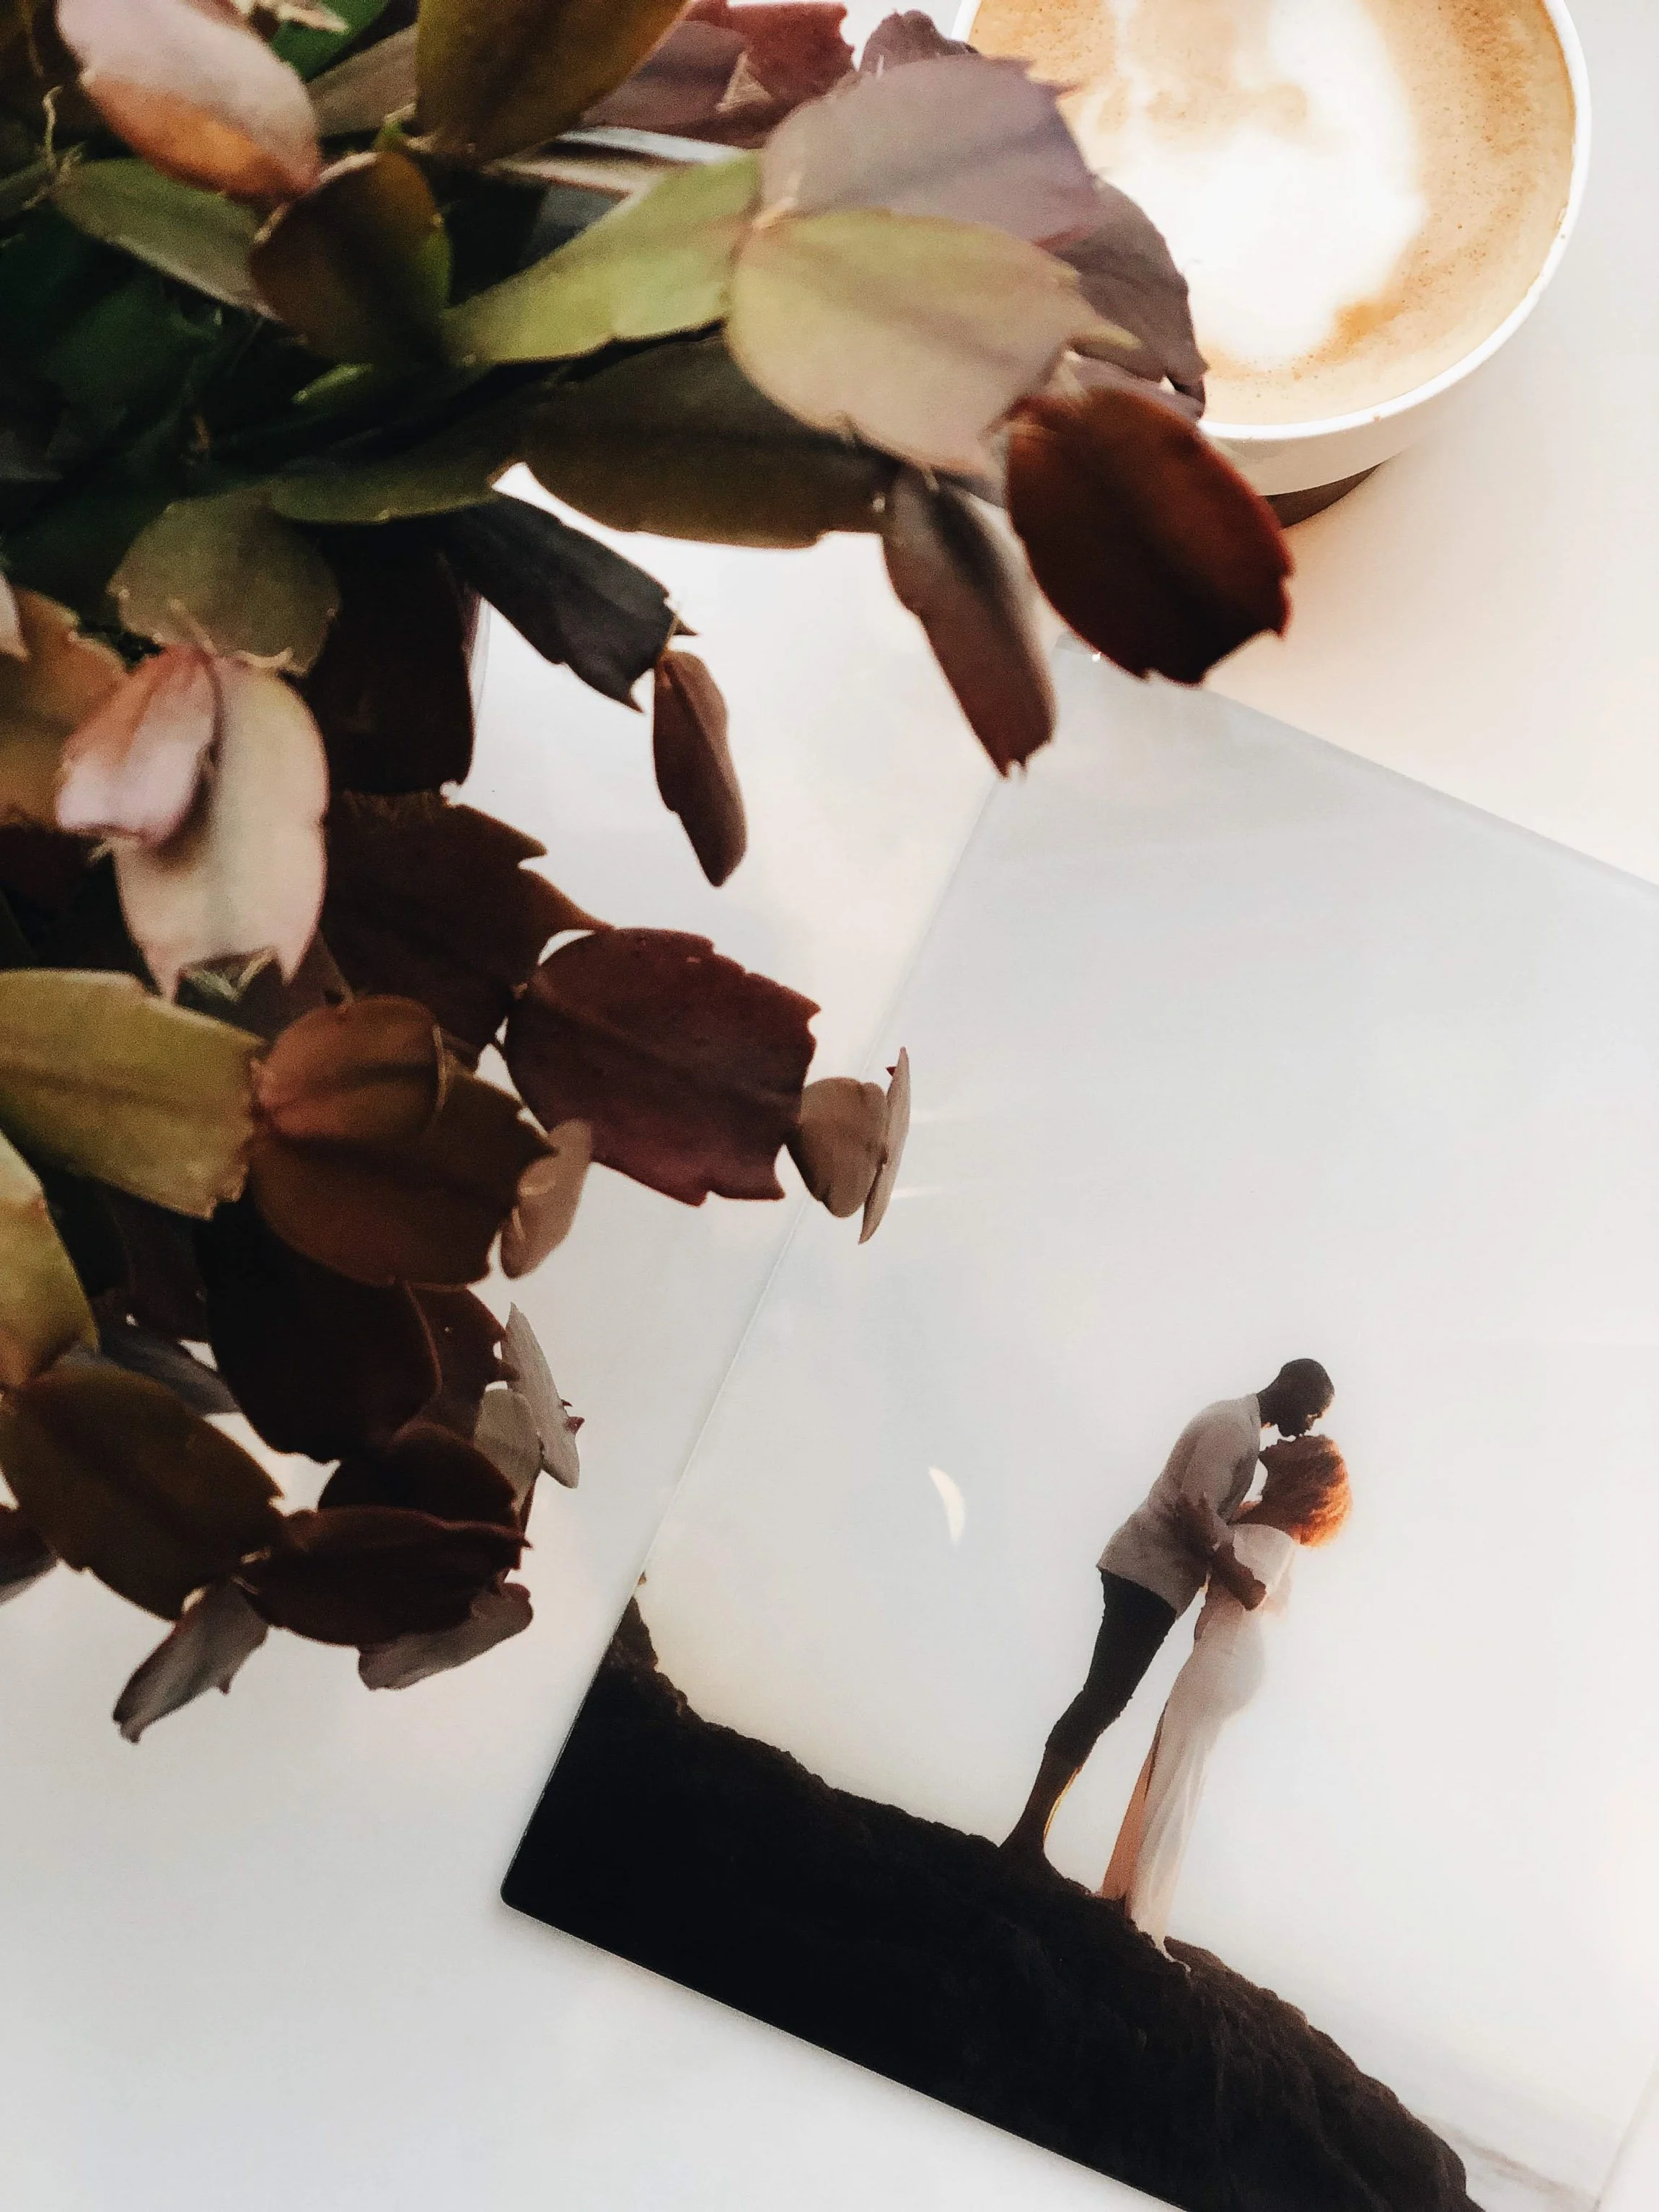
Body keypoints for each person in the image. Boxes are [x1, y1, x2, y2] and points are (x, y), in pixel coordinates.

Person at [1000, 1360, 1334, 1868]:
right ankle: (1027, 1836)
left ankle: (1030, 1833)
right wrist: (1234, 1560)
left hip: (1154, 1578)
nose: (1310, 1425)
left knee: (1104, 1699)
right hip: (1147, 1573)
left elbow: (1204, 1515)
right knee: (1102, 1698)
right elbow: (1192, 1510)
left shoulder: (1241, 1428)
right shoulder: (1230, 1428)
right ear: (1291, 1386)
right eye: (1312, 1411)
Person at [1101, 1433, 1352, 1949]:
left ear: (1304, 1464)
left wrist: (1210, 1538)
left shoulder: (1281, 1525)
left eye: (1303, 1439)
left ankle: (1138, 1915)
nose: (1290, 1436)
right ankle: (1131, 1900)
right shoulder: (1261, 1510)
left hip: (1229, 1653)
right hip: (1224, 1651)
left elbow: (1253, 1591)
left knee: (1177, 1767)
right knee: (1173, 1764)